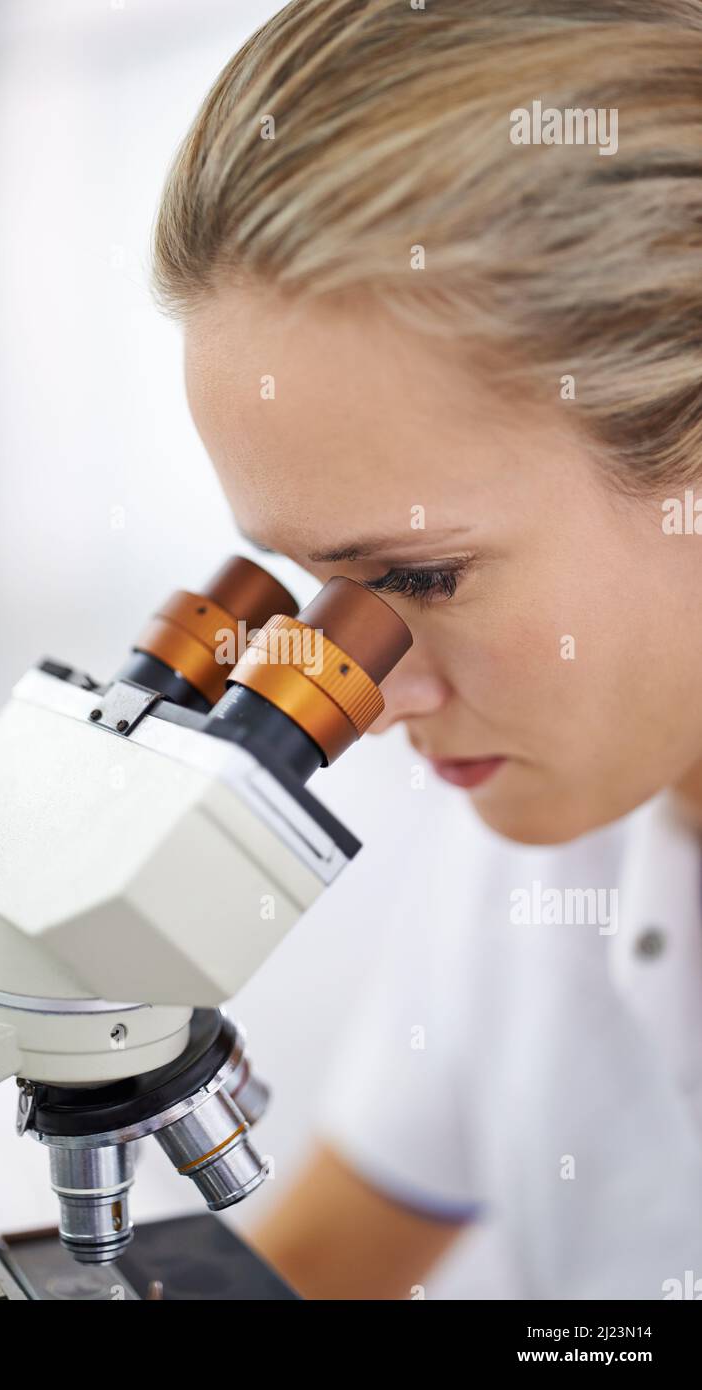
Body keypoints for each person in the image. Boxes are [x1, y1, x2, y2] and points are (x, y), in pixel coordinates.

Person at [150, 0, 702, 1298]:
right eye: (315, 589)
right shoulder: (542, 827)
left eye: (421, 577)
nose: (374, 693)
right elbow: (322, 1267)